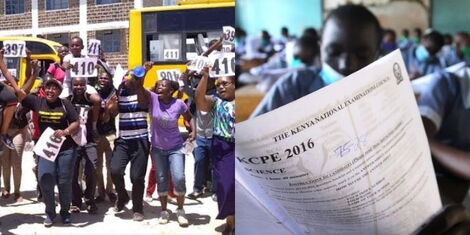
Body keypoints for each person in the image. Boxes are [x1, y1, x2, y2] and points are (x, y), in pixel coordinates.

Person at [252, 4, 382, 117]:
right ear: (320, 49)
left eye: (362, 55)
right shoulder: (293, 87)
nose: (346, 66)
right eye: (334, 52)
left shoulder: (388, 91)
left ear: (376, 56)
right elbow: (249, 140)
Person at [1, 49, 79, 227]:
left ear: (59, 90)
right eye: (48, 87)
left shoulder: (66, 104)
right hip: (46, 149)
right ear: (44, 90)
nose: (51, 90)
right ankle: (50, 213)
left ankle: (65, 212)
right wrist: (5, 65)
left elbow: (76, 123)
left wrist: (66, 131)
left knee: (65, 181)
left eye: (54, 88)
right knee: (45, 177)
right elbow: (19, 91)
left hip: (66, 149)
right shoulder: (37, 101)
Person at [134, 64, 194, 226]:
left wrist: (193, 131)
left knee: (179, 177)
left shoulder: (179, 104)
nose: (159, 88)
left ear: (170, 90)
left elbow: (190, 116)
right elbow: (138, 85)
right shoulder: (152, 99)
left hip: (176, 147)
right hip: (158, 149)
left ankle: (180, 210)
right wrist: (145, 71)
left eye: (163, 86)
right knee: (161, 179)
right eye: (158, 86)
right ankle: (164, 211)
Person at [107, 65, 150, 222]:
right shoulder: (120, 93)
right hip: (123, 140)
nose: (127, 81)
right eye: (125, 78)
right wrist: (111, 107)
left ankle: (138, 208)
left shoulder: (144, 93)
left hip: (141, 141)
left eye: (130, 78)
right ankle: (123, 196)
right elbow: (114, 112)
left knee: (137, 177)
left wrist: (139, 83)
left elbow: (145, 104)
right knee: (115, 171)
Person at [195, 67, 235, 233]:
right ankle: (231, 222)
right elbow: (199, 101)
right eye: (218, 84)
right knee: (226, 186)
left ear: (235, 85)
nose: (220, 87)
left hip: (244, 148)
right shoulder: (216, 102)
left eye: (225, 83)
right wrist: (205, 77)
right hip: (222, 148)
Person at [67, 77, 101, 214]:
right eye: (76, 84)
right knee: (73, 173)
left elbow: (98, 101)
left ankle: (89, 199)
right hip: (72, 142)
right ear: (72, 85)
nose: (79, 87)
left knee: (92, 171)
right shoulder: (67, 100)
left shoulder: (90, 99)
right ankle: (75, 201)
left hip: (89, 141)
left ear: (86, 86)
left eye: (82, 84)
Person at [94, 72, 117, 203]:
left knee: (111, 166)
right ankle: (100, 192)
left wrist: (110, 108)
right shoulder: (93, 92)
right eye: (101, 77)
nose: (103, 80)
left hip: (110, 134)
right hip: (96, 134)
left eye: (106, 78)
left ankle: (110, 190)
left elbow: (114, 113)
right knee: (98, 167)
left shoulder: (115, 93)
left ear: (110, 80)